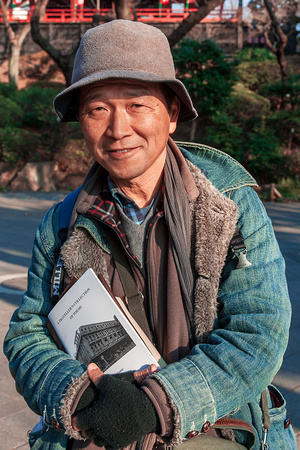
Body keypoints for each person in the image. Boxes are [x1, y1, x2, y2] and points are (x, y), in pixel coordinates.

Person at [3, 20, 297, 450]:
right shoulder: (61, 223)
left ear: (172, 114)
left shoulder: (228, 204)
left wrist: (158, 403)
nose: (118, 129)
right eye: (97, 110)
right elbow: (27, 335)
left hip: (214, 424)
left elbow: (261, 330)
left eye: (138, 105)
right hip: (98, 428)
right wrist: (80, 394)